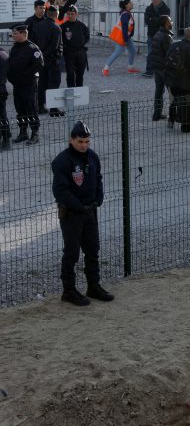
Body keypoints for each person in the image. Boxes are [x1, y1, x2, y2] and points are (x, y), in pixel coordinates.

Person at [52, 120, 112, 306]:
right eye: (80, 142)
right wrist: (78, 206)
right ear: (71, 140)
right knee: (71, 253)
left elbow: (98, 178)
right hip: (71, 213)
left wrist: (98, 199)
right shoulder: (62, 161)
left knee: (92, 250)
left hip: (90, 211)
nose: (84, 145)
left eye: (87, 141)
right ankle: (68, 290)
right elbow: (60, 191)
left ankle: (93, 285)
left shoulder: (92, 157)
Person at [7, 25, 43, 145]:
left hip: (29, 84)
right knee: (20, 109)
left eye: (15, 33)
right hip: (17, 85)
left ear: (23, 34)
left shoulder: (32, 48)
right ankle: (23, 132)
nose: (13, 35)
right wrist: (11, 78)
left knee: (31, 109)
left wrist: (25, 76)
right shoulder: (14, 48)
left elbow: (39, 65)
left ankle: (35, 133)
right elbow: (10, 65)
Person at [166, 27, 190, 133]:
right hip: (185, 83)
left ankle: (171, 121)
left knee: (174, 101)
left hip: (173, 80)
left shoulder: (174, 45)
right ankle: (186, 126)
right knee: (186, 104)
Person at [33, 5, 63, 116]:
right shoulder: (56, 28)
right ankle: (53, 108)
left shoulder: (38, 26)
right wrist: (46, 54)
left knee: (42, 83)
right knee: (54, 83)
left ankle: (40, 106)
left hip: (41, 60)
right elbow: (54, 46)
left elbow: (34, 42)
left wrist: (40, 55)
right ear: (57, 14)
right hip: (52, 60)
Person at [148, 15, 175, 122]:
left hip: (157, 67)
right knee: (172, 92)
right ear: (166, 23)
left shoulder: (157, 34)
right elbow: (170, 55)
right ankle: (173, 116)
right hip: (164, 68)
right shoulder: (166, 37)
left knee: (158, 91)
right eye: (170, 21)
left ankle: (157, 114)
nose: (172, 22)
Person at [104, 0, 139, 75]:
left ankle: (130, 67)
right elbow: (124, 27)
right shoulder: (126, 14)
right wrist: (126, 39)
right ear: (126, 5)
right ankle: (105, 68)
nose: (132, 3)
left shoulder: (126, 13)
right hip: (123, 37)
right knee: (117, 52)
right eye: (130, 2)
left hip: (126, 36)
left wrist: (127, 38)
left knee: (132, 51)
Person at [60, 5, 90, 88]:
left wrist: (80, 44)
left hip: (80, 53)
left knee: (80, 74)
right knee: (70, 74)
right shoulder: (63, 26)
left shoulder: (83, 25)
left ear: (76, 14)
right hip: (69, 53)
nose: (70, 16)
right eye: (68, 14)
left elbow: (87, 37)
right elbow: (61, 40)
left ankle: (79, 91)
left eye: (72, 14)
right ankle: (71, 90)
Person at [143, 0, 171, 78]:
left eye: (155, 1)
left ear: (160, 1)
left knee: (164, 52)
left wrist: (153, 19)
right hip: (151, 34)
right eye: (152, 1)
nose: (153, 2)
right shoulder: (149, 8)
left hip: (162, 34)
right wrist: (156, 19)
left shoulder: (166, 9)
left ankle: (164, 70)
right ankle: (149, 71)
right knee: (150, 52)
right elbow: (147, 20)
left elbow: (163, 21)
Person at [0, 44, 9, 151]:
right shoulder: (4, 54)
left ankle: (6, 138)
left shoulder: (2, 55)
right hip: (2, 87)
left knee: (2, 115)